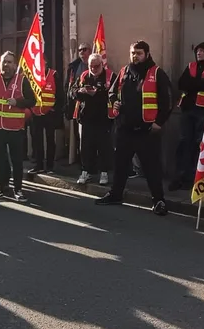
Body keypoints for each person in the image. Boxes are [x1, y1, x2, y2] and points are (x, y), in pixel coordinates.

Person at [96, 41, 173, 215]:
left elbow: (168, 100)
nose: (135, 56)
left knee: (152, 168)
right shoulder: (124, 71)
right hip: (125, 129)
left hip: (147, 131)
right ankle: (116, 195)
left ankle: (158, 200)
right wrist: (113, 101)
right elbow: (112, 92)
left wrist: (158, 123)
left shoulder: (157, 73)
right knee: (121, 165)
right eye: (132, 53)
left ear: (146, 54)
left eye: (138, 53)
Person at [173, 42, 204, 191]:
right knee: (184, 143)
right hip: (187, 109)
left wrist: (193, 84)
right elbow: (181, 83)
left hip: (203, 111)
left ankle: (196, 178)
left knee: (199, 144)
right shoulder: (191, 66)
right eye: (197, 51)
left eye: (202, 51)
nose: (199, 53)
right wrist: (196, 83)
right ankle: (181, 176)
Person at [0, 51, 35, 202]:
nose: (6, 65)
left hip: (16, 128)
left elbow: (32, 101)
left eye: (9, 62)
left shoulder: (22, 80)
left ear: (14, 65)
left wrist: (18, 102)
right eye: (4, 62)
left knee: (17, 161)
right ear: (0, 64)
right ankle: (0, 188)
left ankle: (18, 189)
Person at [72, 52, 114, 185]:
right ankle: (86, 171)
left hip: (103, 118)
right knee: (85, 147)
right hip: (86, 118)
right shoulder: (84, 76)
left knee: (104, 146)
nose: (94, 69)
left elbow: (115, 94)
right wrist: (80, 92)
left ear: (102, 64)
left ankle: (104, 172)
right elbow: (72, 91)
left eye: (97, 66)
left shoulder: (110, 76)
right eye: (91, 66)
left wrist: (97, 93)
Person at [29, 67, 61, 174]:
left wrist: (55, 108)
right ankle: (39, 165)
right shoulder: (32, 75)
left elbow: (60, 93)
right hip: (35, 112)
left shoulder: (53, 74)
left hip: (49, 113)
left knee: (50, 139)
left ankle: (50, 166)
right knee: (37, 140)